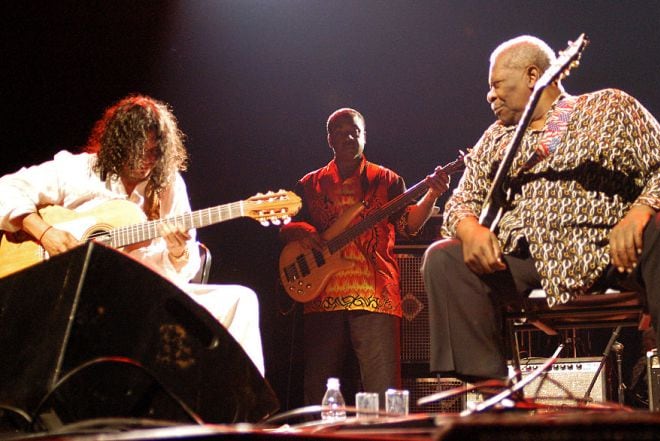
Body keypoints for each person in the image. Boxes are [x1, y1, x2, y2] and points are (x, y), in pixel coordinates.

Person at [422, 36, 660, 412]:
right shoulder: (495, 139)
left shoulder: (609, 106)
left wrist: (639, 212)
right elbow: (461, 202)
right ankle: (498, 399)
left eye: (496, 84)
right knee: (444, 258)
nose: (489, 96)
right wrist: (470, 229)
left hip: (615, 253)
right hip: (527, 259)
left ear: (533, 75)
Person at [0, 94, 265, 375]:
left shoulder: (168, 185)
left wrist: (178, 252)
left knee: (240, 299)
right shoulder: (79, 171)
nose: (148, 160)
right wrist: (46, 233)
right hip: (69, 295)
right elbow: (6, 188)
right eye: (141, 151)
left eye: (155, 152)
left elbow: (180, 274)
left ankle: (250, 411)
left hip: (139, 297)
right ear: (119, 145)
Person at [279, 108, 450, 407]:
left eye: (356, 131)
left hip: (375, 293)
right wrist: (300, 230)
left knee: (384, 391)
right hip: (321, 294)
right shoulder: (309, 184)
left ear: (364, 136)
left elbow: (409, 226)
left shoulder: (387, 180)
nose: (350, 136)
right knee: (317, 389)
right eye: (342, 131)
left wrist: (432, 194)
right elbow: (285, 226)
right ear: (329, 138)